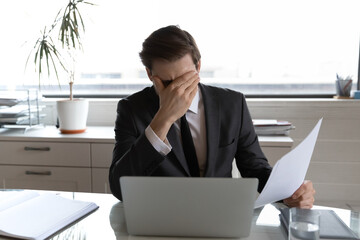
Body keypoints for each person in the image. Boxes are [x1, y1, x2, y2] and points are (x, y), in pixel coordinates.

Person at [109, 25, 315, 208]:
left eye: (184, 79)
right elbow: (119, 188)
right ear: (149, 75)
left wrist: (291, 193)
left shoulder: (232, 104)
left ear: (198, 67)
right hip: (162, 216)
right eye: (168, 83)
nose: (178, 91)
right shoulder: (131, 109)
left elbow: (256, 169)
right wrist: (163, 118)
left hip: (220, 214)